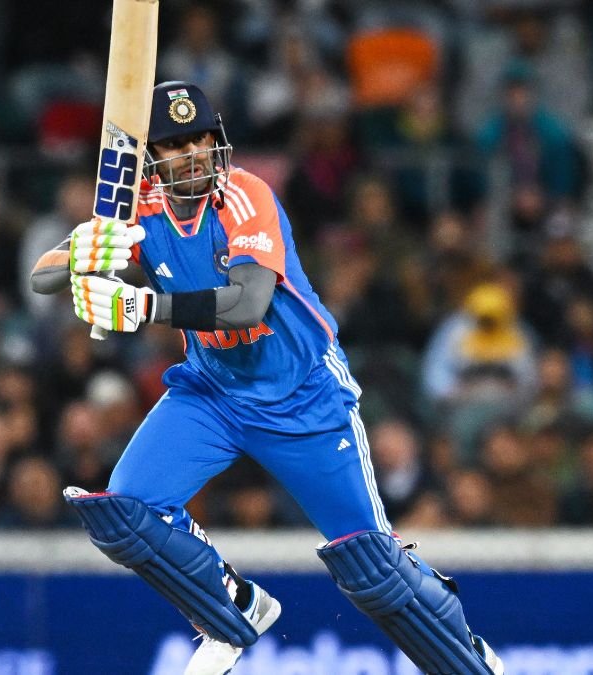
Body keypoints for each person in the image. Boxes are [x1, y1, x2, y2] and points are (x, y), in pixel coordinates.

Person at [30, 81, 504, 675]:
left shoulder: (245, 195)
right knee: (124, 513)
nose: (195, 154)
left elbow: (248, 304)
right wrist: (80, 253)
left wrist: (143, 306)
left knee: (372, 570)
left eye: (203, 139)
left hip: (303, 397)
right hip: (213, 394)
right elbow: (42, 278)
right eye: (177, 145)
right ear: (151, 158)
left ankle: (472, 661)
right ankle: (234, 609)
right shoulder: (137, 208)